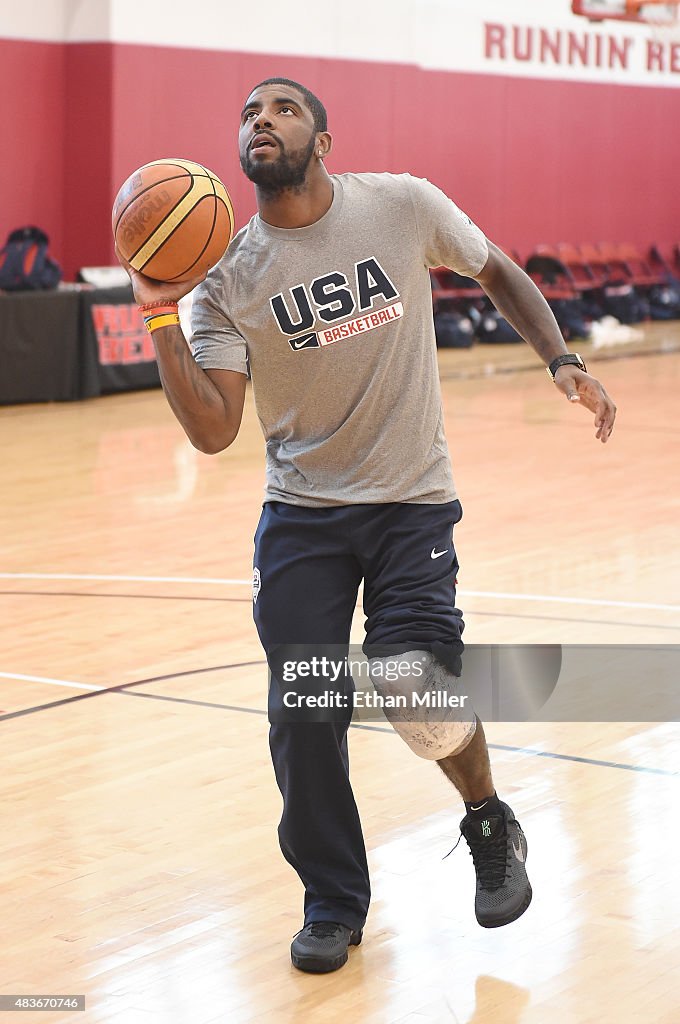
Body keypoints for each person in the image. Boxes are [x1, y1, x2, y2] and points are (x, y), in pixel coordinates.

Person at [118, 77, 617, 975]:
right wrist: (159, 308)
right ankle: (333, 901)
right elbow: (214, 429)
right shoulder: (223, 281)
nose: (260, 120)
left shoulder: (401, 205)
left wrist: (562, 359)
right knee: (304, 710)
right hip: (303, 517)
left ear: (324, 137)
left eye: (281, 108)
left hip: (409, 499)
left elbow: (495, 268)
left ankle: (486, 816)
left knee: (413, 689)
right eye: (246, 113)